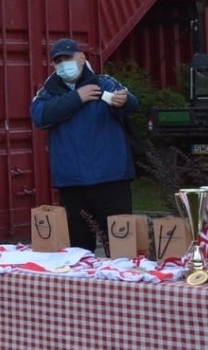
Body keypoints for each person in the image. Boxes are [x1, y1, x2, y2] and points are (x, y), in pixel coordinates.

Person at [30, 37, 140, 252]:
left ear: (81, 57)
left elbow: (132, 104)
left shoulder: (104, 82)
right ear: (53, 65)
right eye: (58, 61)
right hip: (72, 183)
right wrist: (77, 97)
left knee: (121, 248)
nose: (64, 65)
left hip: (111, 179)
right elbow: (39, 116)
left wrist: (124, 100)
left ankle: (125, 284)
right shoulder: (47, 93)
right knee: (79, 251)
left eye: (68, 58)